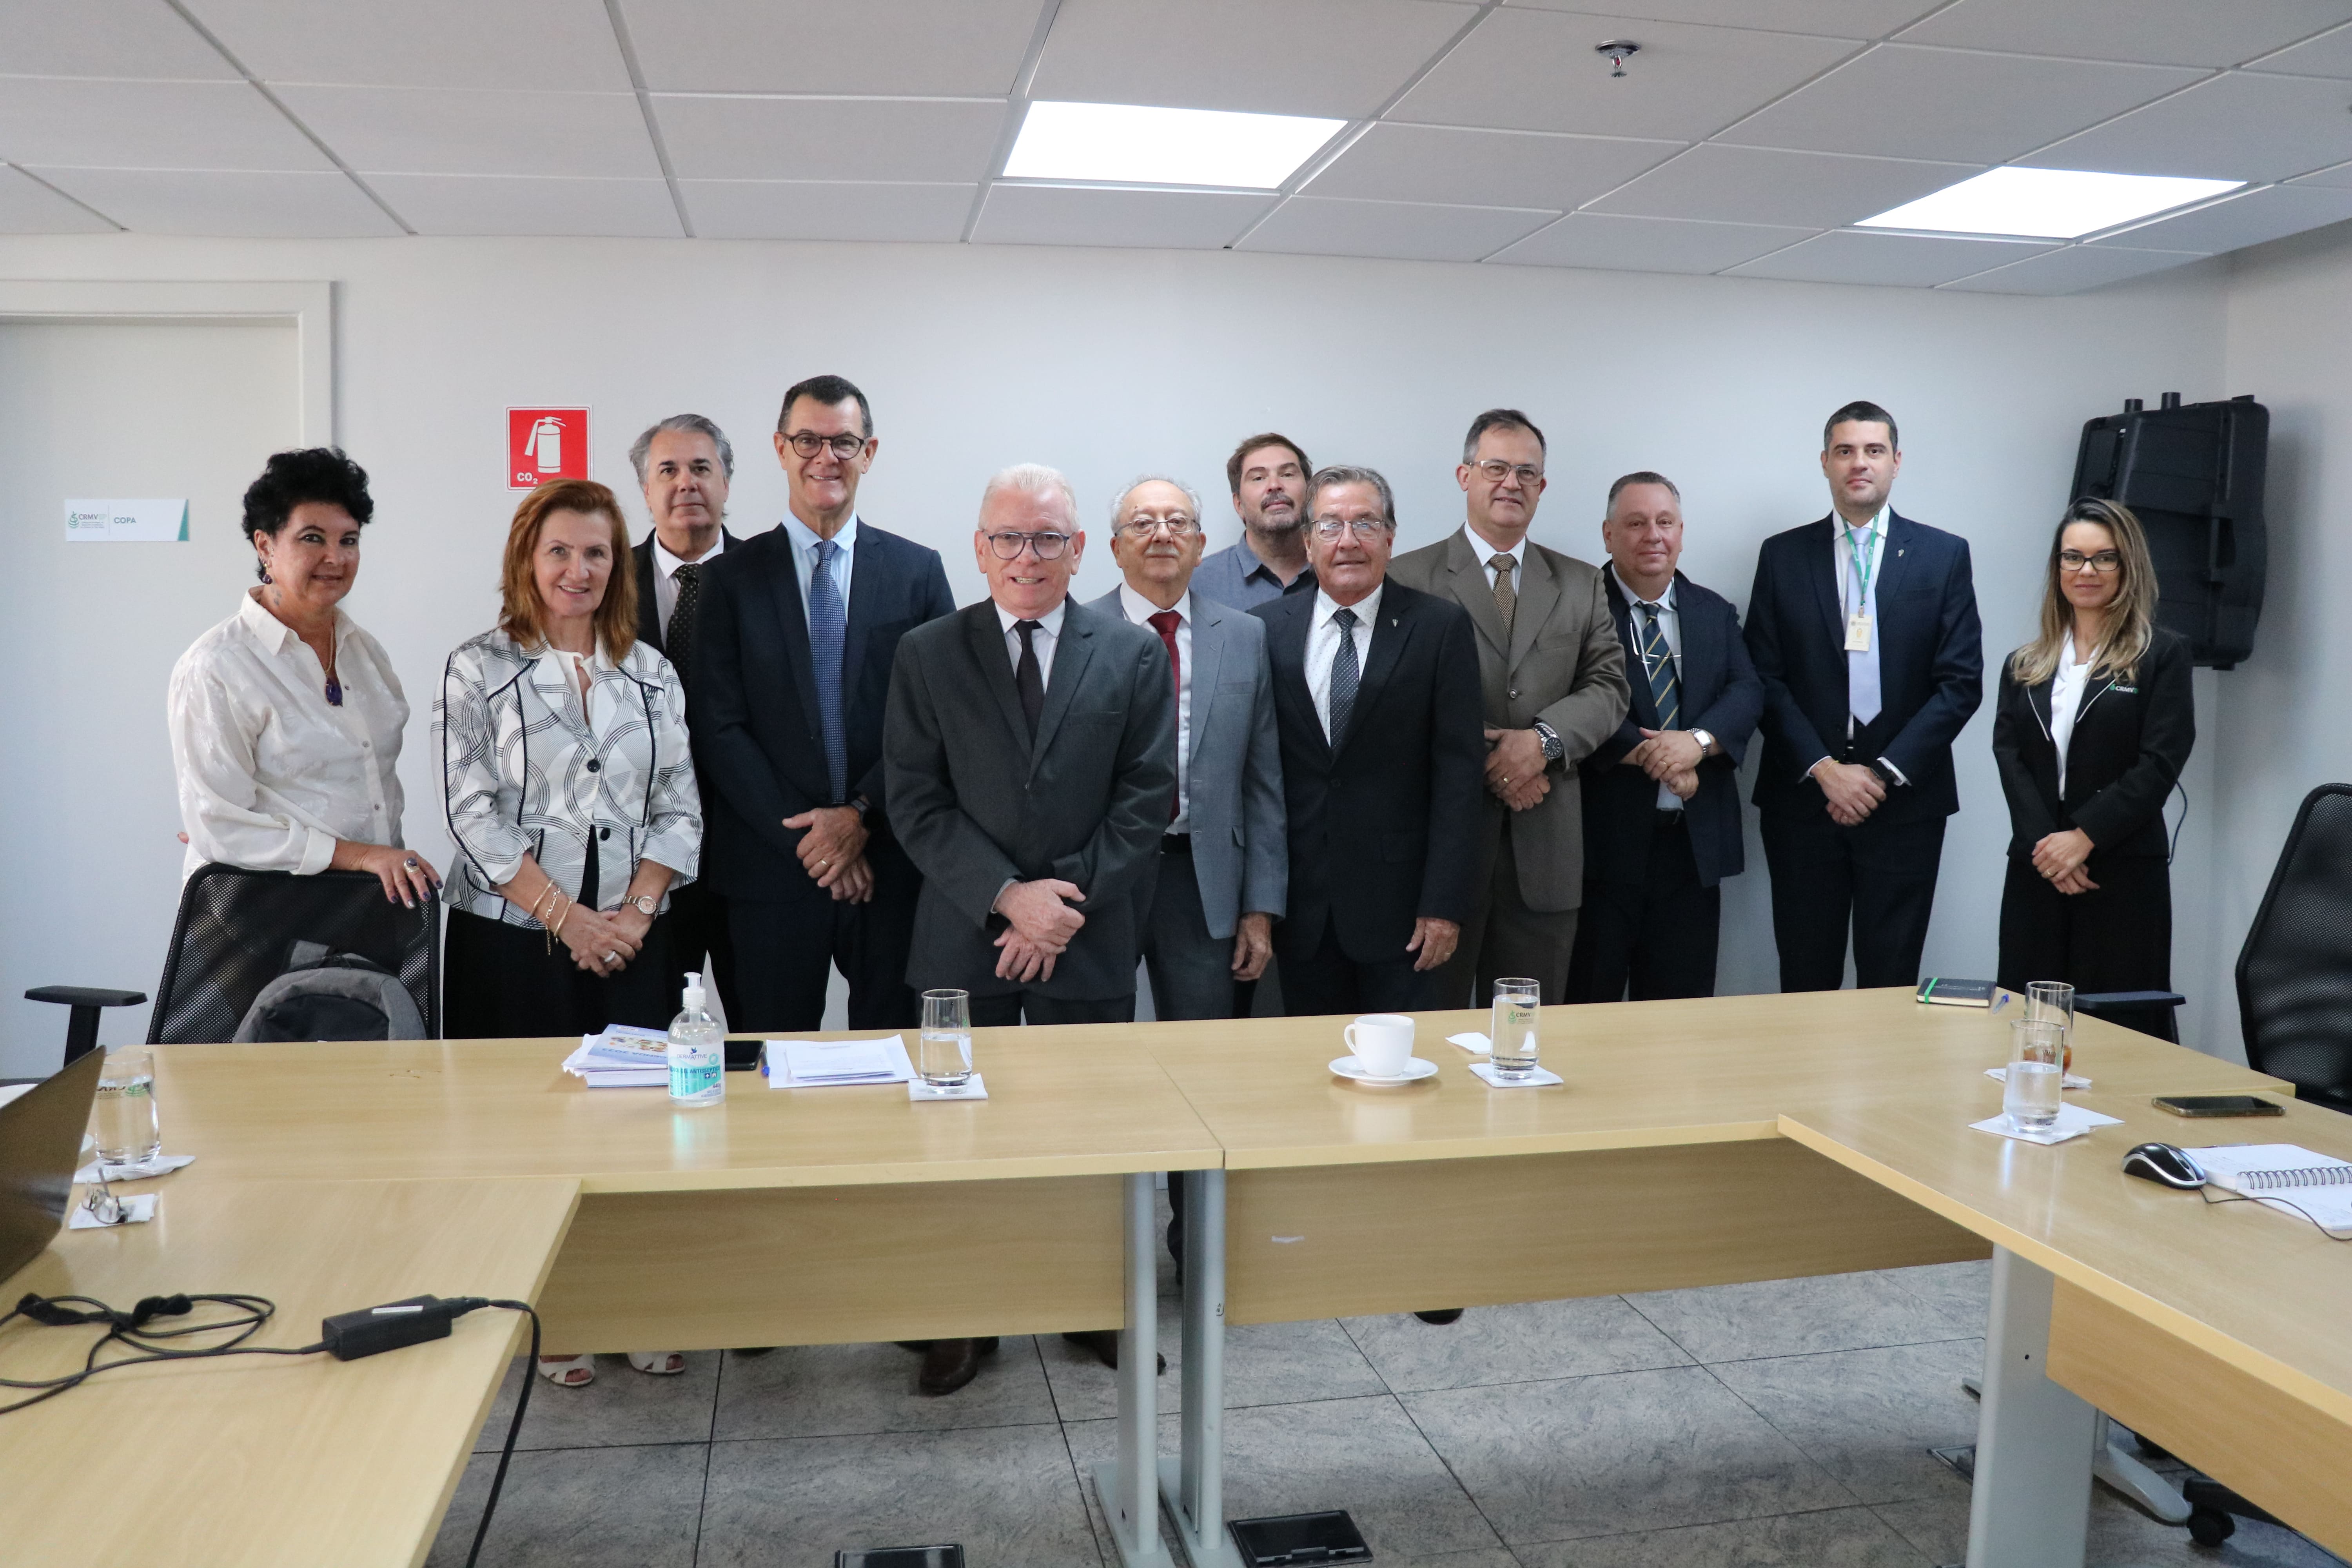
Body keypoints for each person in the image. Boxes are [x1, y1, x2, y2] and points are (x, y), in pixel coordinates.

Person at [882, 463, 1174, 1395]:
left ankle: (1090, 1305)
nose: (1027, 555)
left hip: (1086, 936)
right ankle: (963, 1319)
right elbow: (915, 800)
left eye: (1048, 537)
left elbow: (1147, 798)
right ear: (980, 548)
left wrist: (1057, 908)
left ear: (1080, 549)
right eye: (1008, 537)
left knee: (1087, 1140)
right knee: (956, 1145)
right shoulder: (927, 652)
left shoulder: (1131, 653)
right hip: (962, 937)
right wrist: (1010, 896)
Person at [437, 479, 702, 1390]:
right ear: (528, 558)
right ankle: (551, 1314)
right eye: (560, 551)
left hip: (635, 937)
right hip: (513, 940)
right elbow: (471, 810)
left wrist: (633, 915)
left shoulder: (652, 671)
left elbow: (679, 804)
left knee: (636, 1131)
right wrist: (567, 918)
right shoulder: (477, 667)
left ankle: (633, 1306)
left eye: (596, 552)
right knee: (531, 1136)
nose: (578, 569)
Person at [692, 376, 955, 1034]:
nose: (825, 457)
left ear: (870, 453)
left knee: (895, 1057)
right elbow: (719, 728)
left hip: (889, 865)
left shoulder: (918, 573)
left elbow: (940, 720)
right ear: (781, 449)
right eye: (808, 440)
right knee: (770, 1066)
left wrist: (860, 816)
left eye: (843, 442)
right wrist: (815, 842)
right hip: (769, 872)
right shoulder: (726, 581)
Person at [1389, 409, 1627, 1006]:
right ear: (1464, 476)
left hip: (1544, 853)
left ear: (1542, 486)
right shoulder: (1406, 578)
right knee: (1432, 1030)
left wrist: (1541, 744)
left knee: (1526, 1034)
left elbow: (1609, 686)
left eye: (1527, 473)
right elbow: (1392, 701)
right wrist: (1494, 758)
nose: (1511, 483)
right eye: (1496, 468)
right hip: (1438, 859)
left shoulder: (1580, 582)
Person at [1745, 401, 1983, 992]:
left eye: (1874, 451)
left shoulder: (1943, 555)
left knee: (1891, 982)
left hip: (1905, 804)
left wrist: (1879, 775)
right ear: (1825, 462)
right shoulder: (1782, 555)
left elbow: (1960, 683)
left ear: (1896, 462)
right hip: (1805, 802)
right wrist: (1827, 771)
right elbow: (1763, 677)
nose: (1860, 463)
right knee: (1805, 979)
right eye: (1845, 451)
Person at [1253, 465, 1484, 1017]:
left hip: (1405, 914)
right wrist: (1257, 904)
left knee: (1403, 1061)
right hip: (1300, 911)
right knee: (1312, 1060)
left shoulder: (1440, 628)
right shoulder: (1263, 629)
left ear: (1390, 537)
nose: (1349, 541)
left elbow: (1459, 779)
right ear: (1308, 542)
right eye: (1330, 526)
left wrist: (1444, 905)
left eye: (1365, 523)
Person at [169, 447, 440, 906]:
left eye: (349, 540)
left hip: (368, 907)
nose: (335, 557)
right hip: (264, 916)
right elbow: (220, 825)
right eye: (312, 538)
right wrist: (360, 856)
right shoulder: (218, 665)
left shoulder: (367, 653)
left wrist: (377, 861)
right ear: (265, 547)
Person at [1089, 475, 1285, 1022]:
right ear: (1115, 548)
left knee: (1204, 1046)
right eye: (1142, 523)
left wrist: (1260, 907)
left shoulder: (1244, 636)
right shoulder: (1076, 631)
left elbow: (1263, 783)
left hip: (1202, 879)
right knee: (1093, 1040)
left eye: (1178, 523)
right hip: (1101, 874)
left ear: (1200, 546)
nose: (1162, 534)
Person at [1566, 473, 1763, 1002]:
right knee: (1589, 1009)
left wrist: (1695, 744)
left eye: (1665, 522)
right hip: (1602, 852)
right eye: (1636, 523)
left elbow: (1747, 691)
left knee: (1680, 1018)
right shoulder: (1577, 607)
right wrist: (1657, 756)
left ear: (1681, 532)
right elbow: (1573, 699)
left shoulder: (1713, 611)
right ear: (1608, 535)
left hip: (1691, 852)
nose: (1653, 535)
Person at [1991, 499, 2193, 1012]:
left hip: (2120, 870)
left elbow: (2160, 762)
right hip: (2038, 868)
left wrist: (2083, 838)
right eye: (2072, 557)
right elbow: (2010, 755)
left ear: (2129, 566)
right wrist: (2048, 850)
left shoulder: (2161, 655)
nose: (2086, 571)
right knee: (2031, 1019)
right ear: (2057, 566)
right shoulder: (2024, 664)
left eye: (2104, 558)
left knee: (2119, 1026)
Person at [628, 414, 744, 1005]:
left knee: (759, 1025)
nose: (686, 483)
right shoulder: (603, 581)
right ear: (646, 490)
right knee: (651, 1030)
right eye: (668, 470)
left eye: (701, 468)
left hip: (747, 850)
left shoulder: (770, 577)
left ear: (726, 482)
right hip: (642, 859)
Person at [1192, 433, 1316, 609]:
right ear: (1239, 505)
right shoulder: (1197, 584)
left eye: (1287, 474)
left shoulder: (1341, 572)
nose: (1274, 485)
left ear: (1311, 493)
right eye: (1259, 478)